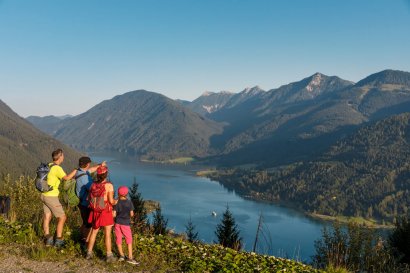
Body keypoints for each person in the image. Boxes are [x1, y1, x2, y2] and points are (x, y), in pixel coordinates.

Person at [41, 148, 77, 247]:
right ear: (60, 156)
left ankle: (47, 238)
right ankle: (59, 240)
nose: (63, 157)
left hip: (44, 194)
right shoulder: (57, 168)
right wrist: (75, 170)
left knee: (47, 215)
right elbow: (66, 178)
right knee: (62, 217)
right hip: (51, 196)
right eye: (63, 155)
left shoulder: (48, 165)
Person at [86, 166, 116, 262]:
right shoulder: (109, 185)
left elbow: (90, 198)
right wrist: (117, 201)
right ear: (106, 174)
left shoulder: (93, 185)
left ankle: (89, 253)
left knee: (94, 232)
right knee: (107, 233)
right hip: (105, 211)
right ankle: (109, 255)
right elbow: (111, 201)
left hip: (95, 211)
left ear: (98, 175)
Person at [75, 156, 106, 247]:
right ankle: (85, 242)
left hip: (81, 202)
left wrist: (100, 165)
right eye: (89, 163)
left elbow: (92, 169)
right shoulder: (84, 177)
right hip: (85, 203)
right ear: (87, 164)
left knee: (85, 222)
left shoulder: (80, 172)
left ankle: (80, 238)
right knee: (88, 224)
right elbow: (93, 189)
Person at [114, 186, 139, 265]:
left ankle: (121, 256)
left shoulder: (117, 202)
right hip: (126, 224)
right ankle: (130, 257)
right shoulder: (129, 202)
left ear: (118, 193)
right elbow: (132, 214)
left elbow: (114, 214)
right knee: (129, 240)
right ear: (127, 193)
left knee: (118, 238)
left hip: (118, 223)